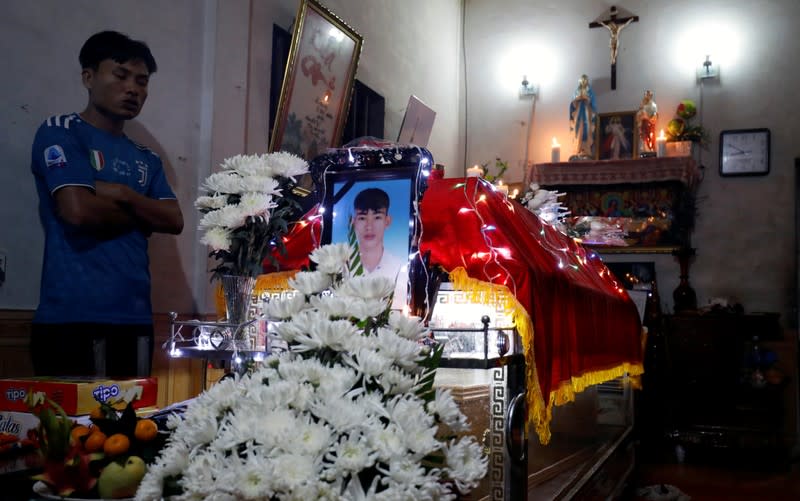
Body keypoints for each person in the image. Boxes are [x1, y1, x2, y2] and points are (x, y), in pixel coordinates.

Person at [30, 31, 184, 378]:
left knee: (135, 429)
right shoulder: (61, 132)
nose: (133, 88)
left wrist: (123, 194)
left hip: (135, 318)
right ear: (88, 77)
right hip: (71, 317)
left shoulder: (147, 158)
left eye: (141, 81)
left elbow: (173, 220)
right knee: (74, 431)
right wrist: (142, 213)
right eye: (120, 75)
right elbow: (78, 211)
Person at [351, 188, 407, 308]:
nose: (369, 226)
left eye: (377, 217)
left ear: (387, 221)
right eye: (362, 218)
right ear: (353, 222)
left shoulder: (400, 268)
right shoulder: (341, 268)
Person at [569, 74, 597, 160]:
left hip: (587, 114)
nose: (584, 82)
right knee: (577, 131)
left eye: (585, 80)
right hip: (578, 115)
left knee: (587, 130)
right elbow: (572, 104)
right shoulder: (576, 91)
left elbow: (593, 105)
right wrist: (578, 99)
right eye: (582, 80)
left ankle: (586, 150)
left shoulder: (590, 91)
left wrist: (586, 99)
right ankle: (577, 149)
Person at [636, 89, 658, 154]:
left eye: (649, 95)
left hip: (650, 125)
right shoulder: (642, 104)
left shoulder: (654, 105)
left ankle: (650, 149)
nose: (647, 96)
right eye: (646, 95)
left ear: (651, 96)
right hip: (644, 124)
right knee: (644, 138)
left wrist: (650, 118)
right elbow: (639, 114)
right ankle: (645, 149)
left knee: (651, 137)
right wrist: (642, 116)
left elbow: (655, 114)